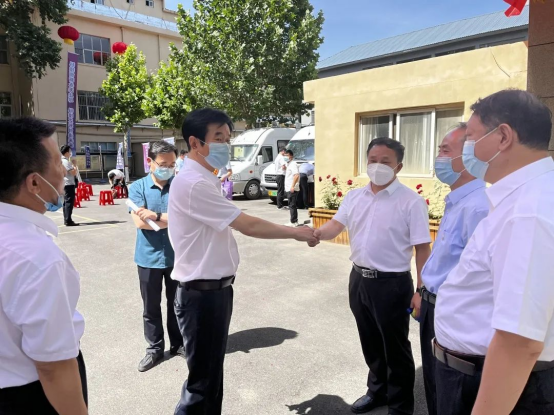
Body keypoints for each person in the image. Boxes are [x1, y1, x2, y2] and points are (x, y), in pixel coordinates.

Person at [168, 108, 318, 416]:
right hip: (202, 295)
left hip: (213, 292)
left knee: (210, 379)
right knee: (201, 386)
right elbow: (247, 224)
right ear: (195, 143)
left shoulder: (204, 178)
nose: (226, 145)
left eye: (228, 138)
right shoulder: (194, 183)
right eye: (218, 138)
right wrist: (295, 232)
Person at [434, 89, 554, 415]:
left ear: (503, 136)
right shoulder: (528, 197)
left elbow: (519, 343)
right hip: (485, 376)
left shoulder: (528, 212)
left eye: (471, 137)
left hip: (493, 386)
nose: (466, 148)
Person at [312, 138, 432, 416]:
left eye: (385, 161)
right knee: (370, 342)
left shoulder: (411, 202)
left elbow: (423, 249)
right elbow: (335, 225)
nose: (377, 166)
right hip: (359, 280)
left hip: (393, 284)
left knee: (395, 347)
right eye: (372, 160)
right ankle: (377, 392)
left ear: (398, 166)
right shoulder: (355, 197)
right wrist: (316, 233)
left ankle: (400, 406)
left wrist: (421, 290)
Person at [0, 118, 88, 415]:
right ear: (34, 183)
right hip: (31, 394)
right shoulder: (36, 257)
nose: (64, 170)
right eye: (57, 162)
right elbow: (53, 366)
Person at [419, 123, 489, 416]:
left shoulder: (479, 208)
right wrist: (422, 291)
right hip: (432, 305)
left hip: (455, 312)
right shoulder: (457, 201)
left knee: (451, 393)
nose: (439, 157)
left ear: (470, 156)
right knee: (434, 386)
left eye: (446, 150)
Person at [129, 141, 184, 373]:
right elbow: (140, 222)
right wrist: (170, 219)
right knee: (150, 307)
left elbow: (186, 219)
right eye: (163, 164)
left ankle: (178, 344)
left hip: (176, 257)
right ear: (149, 162)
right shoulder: (137, 187)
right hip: (148, 258)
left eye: (172, 164)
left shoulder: (179, 186)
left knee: (178, 304)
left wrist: (156, 216)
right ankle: (154, 349)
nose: (168, 168)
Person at [60, 145, 78, 227]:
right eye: (69, 151)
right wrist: (74, 165)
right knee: (69, 202)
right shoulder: (66, 162)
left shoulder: (61, 161)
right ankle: (68, 220)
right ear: (66, 152)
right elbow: (73, 173)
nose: (70, 153)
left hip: (64, 183)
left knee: (66, 202)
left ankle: (66, 219)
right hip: (68, 184)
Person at [284, 149, 300, 227]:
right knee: (291, 204)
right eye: (284, 156)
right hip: (289, 187)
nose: (285, 157)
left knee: (292, 205)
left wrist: (292, 186)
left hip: (292, 188)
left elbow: (296, 175)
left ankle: (293, 221)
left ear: (291, 156)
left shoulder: (293, 164)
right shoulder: (289, 164)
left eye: (287, 155)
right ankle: (294, 220)